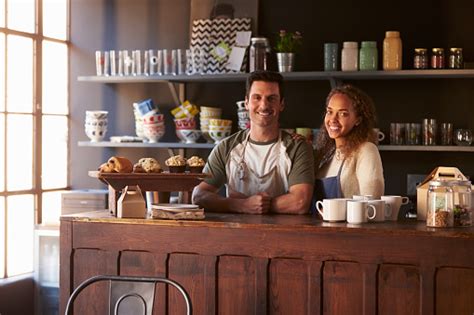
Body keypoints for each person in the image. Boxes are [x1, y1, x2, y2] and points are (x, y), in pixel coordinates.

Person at [192, 71, 314, 214]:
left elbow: (300, 203)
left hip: (284, 234)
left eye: (272, 98)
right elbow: (199, 196)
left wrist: (259, 205)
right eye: (257, 98)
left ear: (282, 104)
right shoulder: (226, 147)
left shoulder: (297, 147)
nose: (264, 105)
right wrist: (241, 205)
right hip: (235, 234)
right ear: (246, 103)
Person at [313, 84, 384, 204]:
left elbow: (372, 204)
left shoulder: (366, 150)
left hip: (349, 223)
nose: (333, 119)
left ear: (358, 120)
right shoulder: (325, 155)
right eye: (329, 112)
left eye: (343, 113)